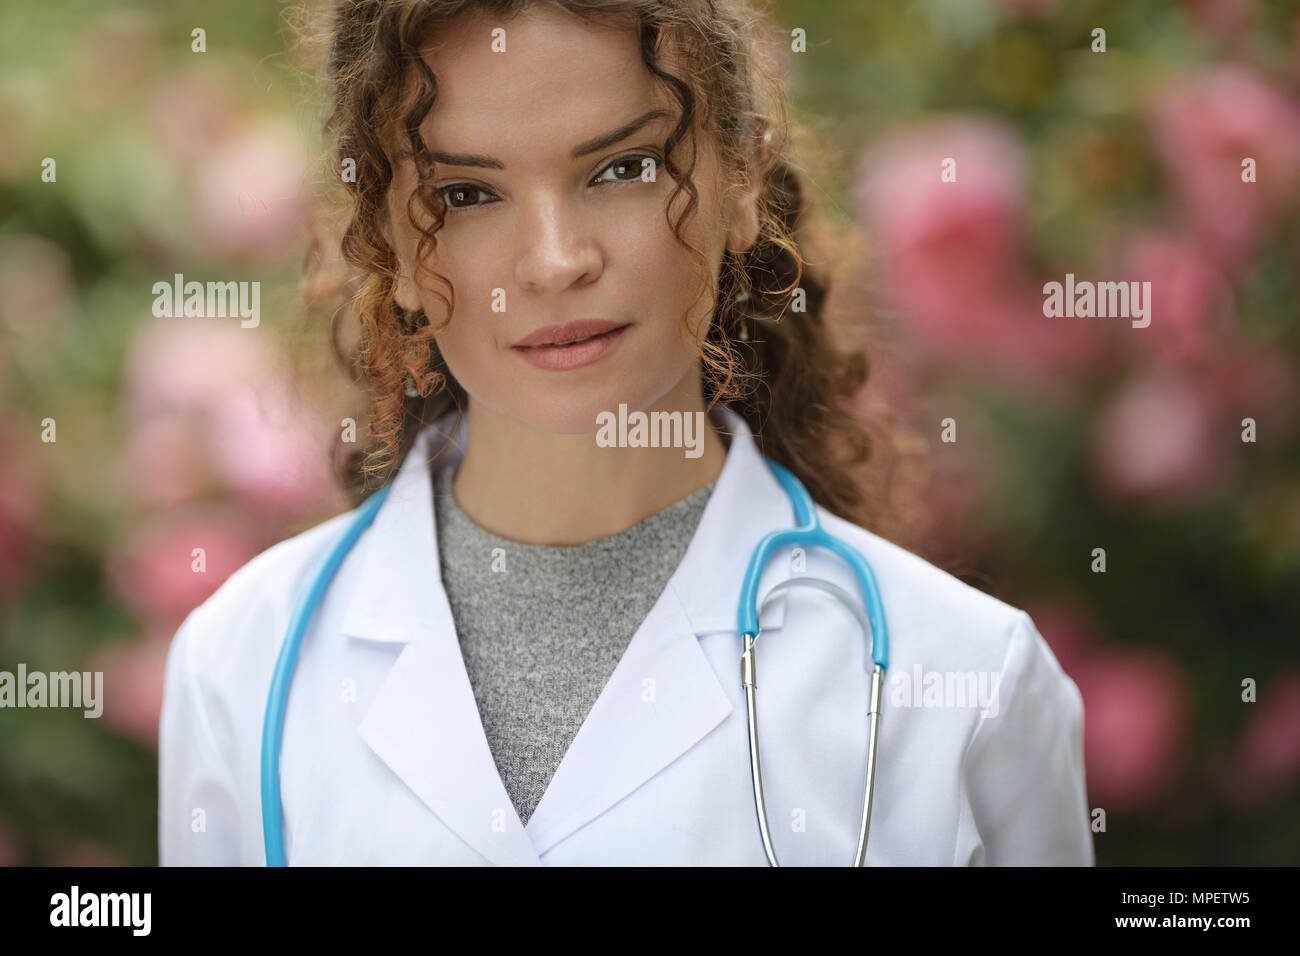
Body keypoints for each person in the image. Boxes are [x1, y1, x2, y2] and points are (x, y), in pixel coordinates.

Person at [158, 0, 1093, 866]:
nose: (559, 260)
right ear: (389, 247)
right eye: (467, 195)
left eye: (623, 169)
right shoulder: (244, 668)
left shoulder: (965, 680)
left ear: (741, 185)